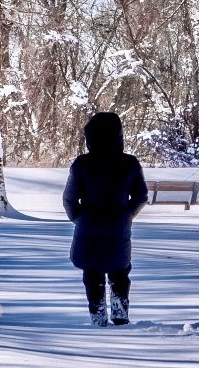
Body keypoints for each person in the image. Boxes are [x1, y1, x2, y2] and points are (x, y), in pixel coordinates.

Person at [62, 111, 148, 326]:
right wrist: (127, 215)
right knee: (120, 271)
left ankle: (98, 316)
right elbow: (141, 196)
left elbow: (69, 199)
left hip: (88, 223)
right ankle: (120, 313)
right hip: (118, 224)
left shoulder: (82, 164)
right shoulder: (129, 163)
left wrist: (78, 218)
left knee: (92, 272)